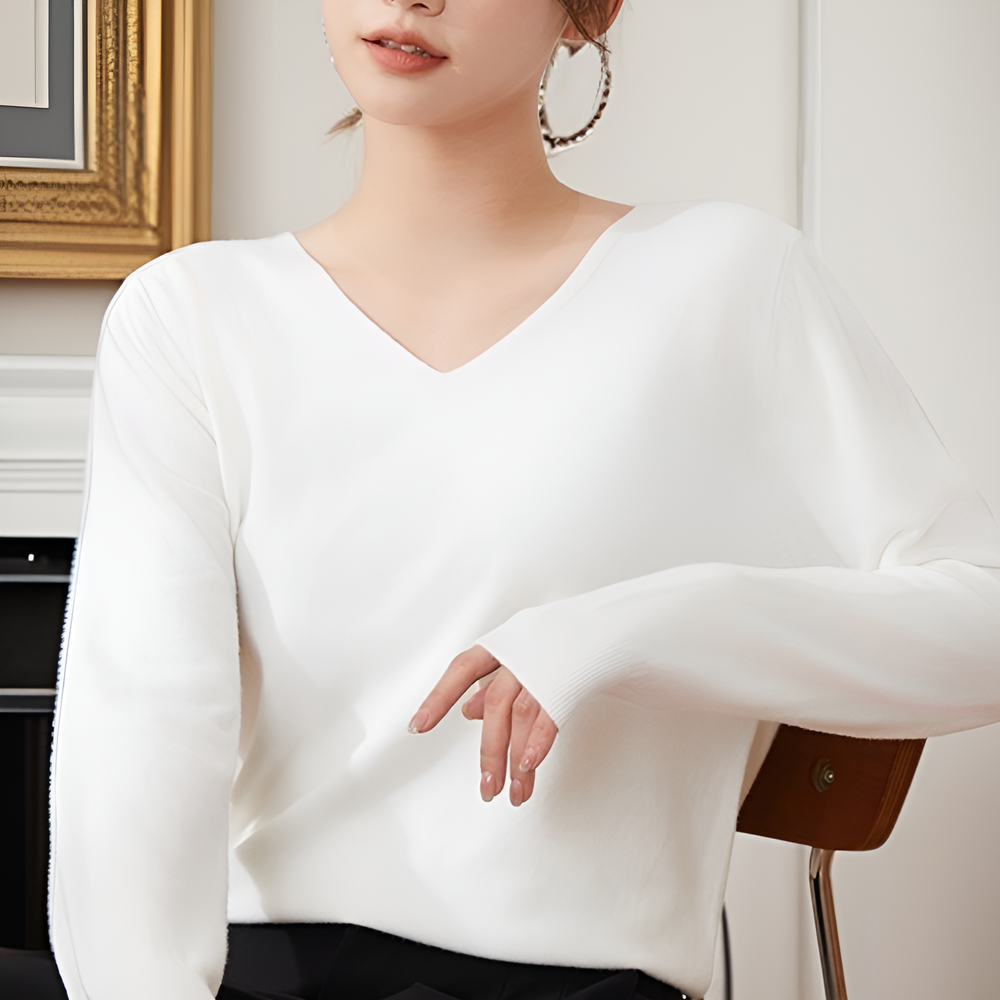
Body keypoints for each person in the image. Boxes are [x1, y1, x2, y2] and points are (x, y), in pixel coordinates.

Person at [43, 0, 1000, 998]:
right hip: (257, 973)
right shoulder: (191, 315)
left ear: (586, 13)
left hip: (574, 978)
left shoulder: (725, 282)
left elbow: (981, 615)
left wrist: (632, 627)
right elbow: (142, 717)